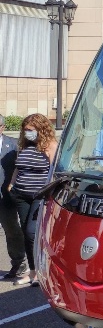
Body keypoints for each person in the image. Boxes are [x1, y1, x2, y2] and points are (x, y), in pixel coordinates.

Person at [4, 114, 58, 285]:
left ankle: (43, 270)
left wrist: (48, 192)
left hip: (38, 196)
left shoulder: (50, 146)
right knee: (26, 234)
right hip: (20, 195)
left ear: (40, 129)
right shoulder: (24, 146)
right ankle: (33, 272)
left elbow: (54, 172)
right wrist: (12, 184)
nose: (27, 133)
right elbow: (18, 168)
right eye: (25, 130)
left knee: (32, 232)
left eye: (30, 130)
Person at [0, 131, 27, 281]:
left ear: (2, 127)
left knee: (11, 231)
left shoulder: (14, 145)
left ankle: (19, 264)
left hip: (6, 197)